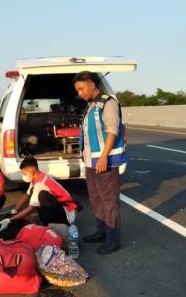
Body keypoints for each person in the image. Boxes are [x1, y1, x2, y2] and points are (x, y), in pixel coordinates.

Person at [73, 71, 127, 255]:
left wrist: (104, 156)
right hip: (91, 161)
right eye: (77, 90)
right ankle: (101, 231)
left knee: (108, 200)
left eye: (81, 88)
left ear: (92, 84)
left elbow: (113, 130)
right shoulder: (91, 106)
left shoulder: (107, 103)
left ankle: (113, 240)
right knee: (95, 197)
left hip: (104, 161)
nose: (79, 93)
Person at [0, 156, 77, 232]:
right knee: (36, 198)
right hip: (62, 208)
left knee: (41, 196)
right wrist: (14, 209)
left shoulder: (40, 184)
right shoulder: (37, 177)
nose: (23, 176)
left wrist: (10, 220)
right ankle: (46, 221)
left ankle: (49, 225)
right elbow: (27, 194)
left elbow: (31, 208)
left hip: (67, 215)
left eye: (24, 173)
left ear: (32, 171)